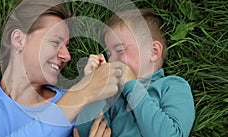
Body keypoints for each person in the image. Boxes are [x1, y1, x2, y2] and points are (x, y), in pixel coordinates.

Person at [0, 0, 130, 137]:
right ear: (19, 39)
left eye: (67, 47)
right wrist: (82, 92)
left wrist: (89, 96)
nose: (67, 56)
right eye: (55, 42)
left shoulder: (78, 109)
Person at [75, 9, 195, 137]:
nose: (111, 60)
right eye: (109, 54)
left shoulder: (173, 85)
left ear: (153, 52)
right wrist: (94, 87)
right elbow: (85, 132)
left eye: (120, 50)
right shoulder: (113, 97)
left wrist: (132, 85)